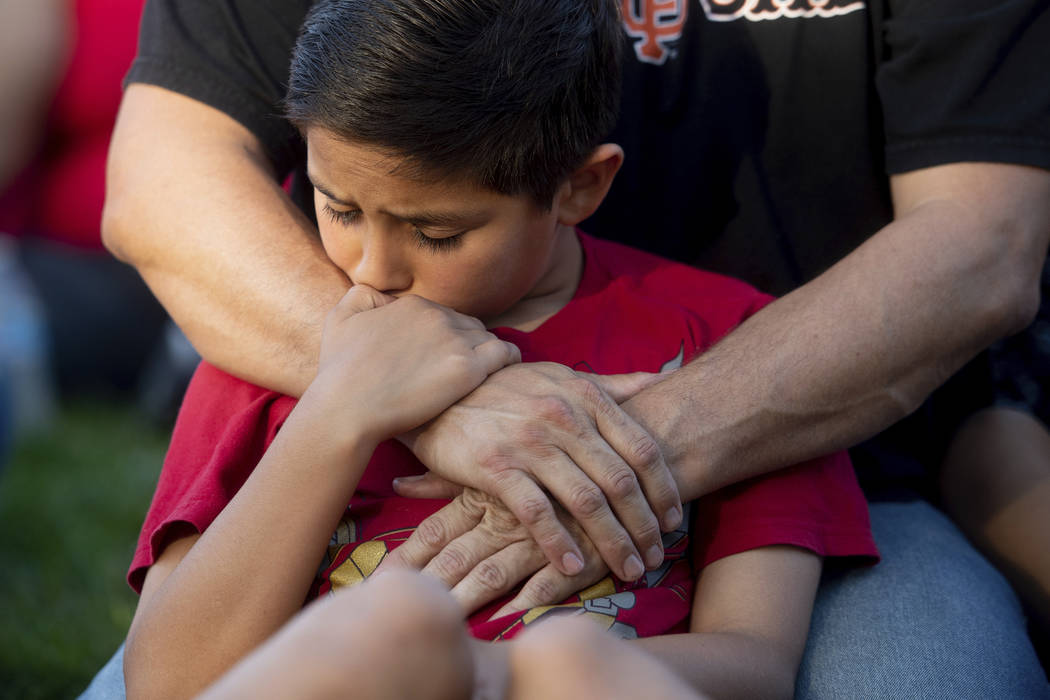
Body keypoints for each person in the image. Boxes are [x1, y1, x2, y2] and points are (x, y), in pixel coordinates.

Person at [91, 0, 1050, 696]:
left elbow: (984, 243)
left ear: (582, 189)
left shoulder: (723, 332)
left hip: (829, 494)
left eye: (436, 232)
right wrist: (350, 403)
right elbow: (169, 674)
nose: (371, 275)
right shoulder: (271, 366)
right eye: (337, 210)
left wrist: (499, 672)